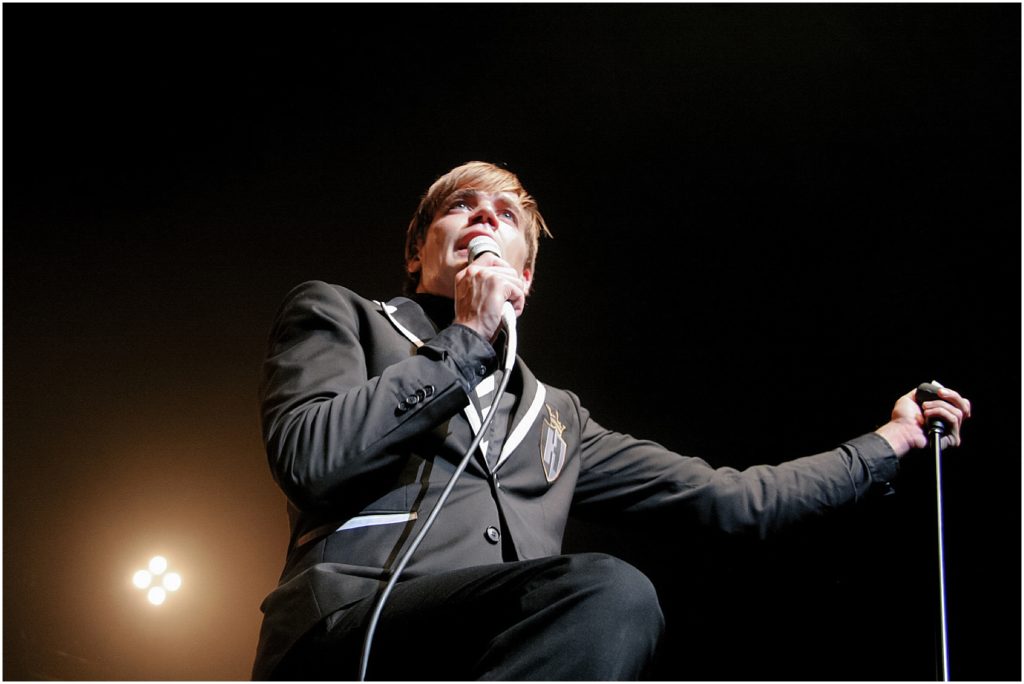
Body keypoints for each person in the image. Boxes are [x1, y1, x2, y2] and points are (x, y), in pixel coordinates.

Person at [251, 161, 971, 680]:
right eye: (461, 206)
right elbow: (311, 458)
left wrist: (891, 441)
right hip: (348, 638)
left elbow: (740, 499)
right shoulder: (342, 315)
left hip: (501, 653)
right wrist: (466, 338)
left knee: (614, 603)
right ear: (417, 253)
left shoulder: (556, 419)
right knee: (602, 588)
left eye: (504, 217)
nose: (483, 218)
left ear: (525, 281)